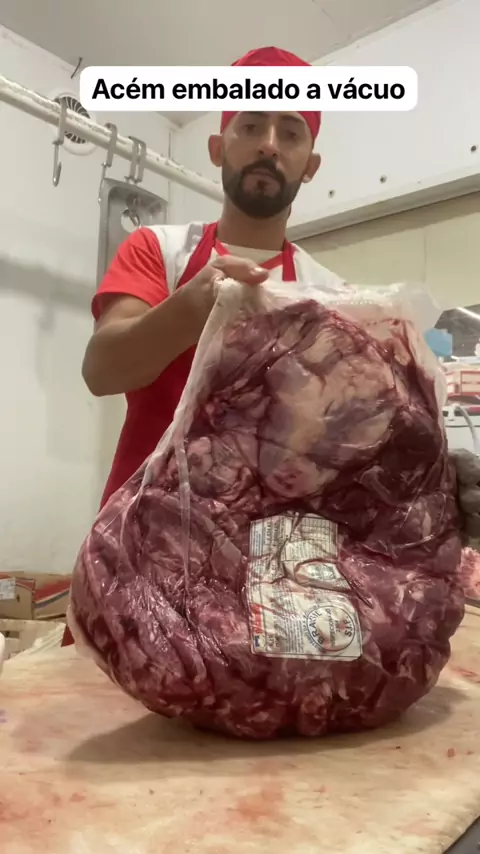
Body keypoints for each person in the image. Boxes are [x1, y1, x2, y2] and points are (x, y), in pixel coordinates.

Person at [62, 46, 480, 646]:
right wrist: (196, 305)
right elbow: (102, 369)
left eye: (290, 131)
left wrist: (433, 478)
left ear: (310, 164)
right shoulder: (161, 250)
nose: (268, 145)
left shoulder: (330, 295)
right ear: (218, 147)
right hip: (138, 549)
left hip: (267, 580)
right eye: (250, 125)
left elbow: (344, 459)